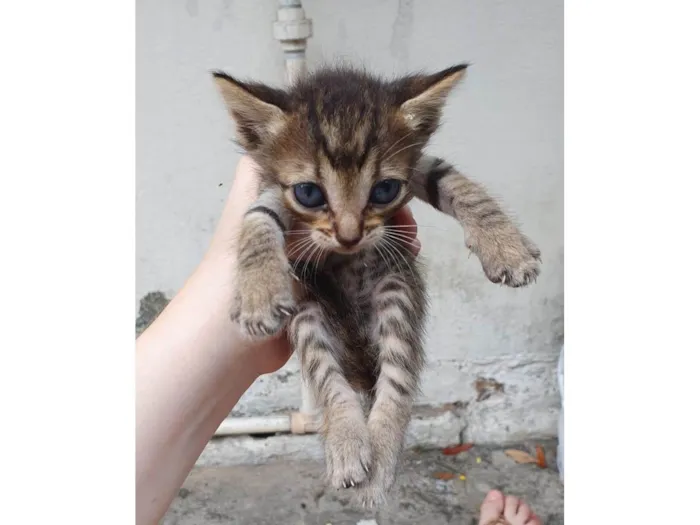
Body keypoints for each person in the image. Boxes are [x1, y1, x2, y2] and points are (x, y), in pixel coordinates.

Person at [135, 156, 541, 525]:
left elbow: (435, 174)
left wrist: (489, 226)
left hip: (382, 271)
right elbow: (263, 213)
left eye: (380, 189)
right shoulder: (284, 155)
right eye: (313, 191)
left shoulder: (389, 142)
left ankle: (389, 419)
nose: (348, 230)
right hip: (314, 287)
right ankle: (340, 410)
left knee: (395, 297)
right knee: (307, 318)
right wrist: (252, 274)